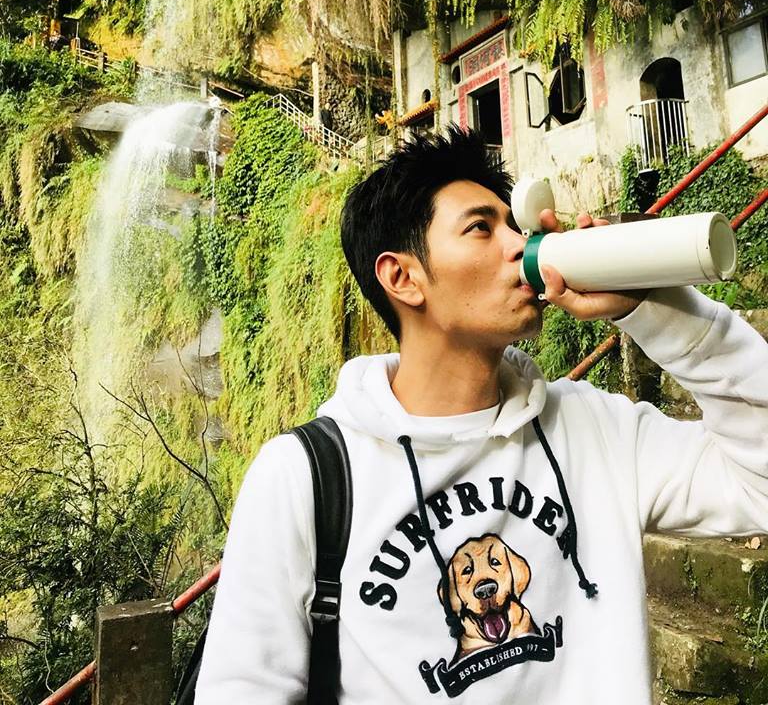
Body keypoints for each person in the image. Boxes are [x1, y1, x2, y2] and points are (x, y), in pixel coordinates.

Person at [195, 126, 768, 704]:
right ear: (402, 278)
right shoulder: (305, 477)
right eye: (480, 228)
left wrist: (658, 312)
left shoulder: (596, 429)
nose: (519, 245)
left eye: (514, 226)